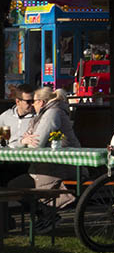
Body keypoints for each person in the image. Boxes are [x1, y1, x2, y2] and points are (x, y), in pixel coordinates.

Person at [20, 87, 82, 217]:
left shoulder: (52, 113)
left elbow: (36, 144)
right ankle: (43, 216)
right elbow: (28, 137)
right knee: (14, 185)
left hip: (60, 167)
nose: (32, 105)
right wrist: (24, 140)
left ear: (41, 102)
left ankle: (47, 216)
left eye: (34, 101)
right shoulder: (43, 115)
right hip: (46, 166)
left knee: (21, 187)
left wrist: (25, 141)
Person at [0, 84, 37, 186]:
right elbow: (3, 141)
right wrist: (19, 142)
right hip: (8, 161)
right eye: (28, 101)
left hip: (27, 162)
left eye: (33, 101)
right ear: (18, 101)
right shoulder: (6, 117)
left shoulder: (37, 118)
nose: (32, 104)